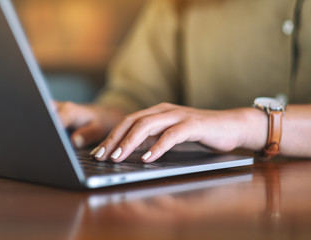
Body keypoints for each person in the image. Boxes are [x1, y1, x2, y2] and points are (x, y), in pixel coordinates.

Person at [56, 0, 311, 163]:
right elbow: (138, 93)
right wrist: (110, 119)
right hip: (207, 201)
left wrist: (246, 125)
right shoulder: (173, 5)